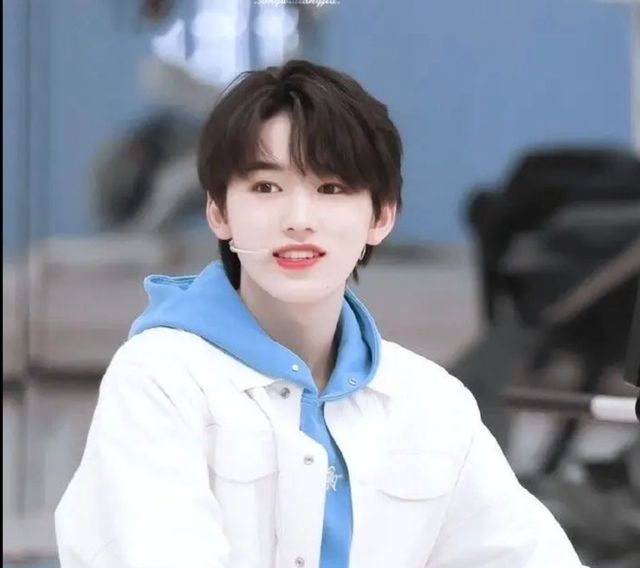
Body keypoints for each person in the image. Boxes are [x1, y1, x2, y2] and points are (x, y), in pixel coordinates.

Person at [55, 59, 587, 568]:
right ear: (218, 211)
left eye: (331, 188)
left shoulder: (430, 403)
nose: (299, 219)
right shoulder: (160, 380)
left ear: (381, 216)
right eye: (266, 187)